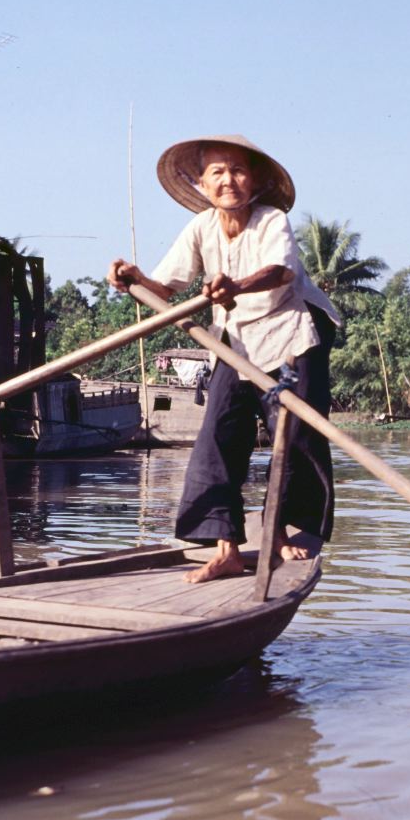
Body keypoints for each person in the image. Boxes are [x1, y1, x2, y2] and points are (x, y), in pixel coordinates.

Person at [108, 134, 341, 583]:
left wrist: (235, 286)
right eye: (217, 171)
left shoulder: (271, 219)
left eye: (237, 170)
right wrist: (133, 277)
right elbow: (166, 288)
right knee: (217, 435)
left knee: (292, 439)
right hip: (234, 344)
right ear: (201, 183)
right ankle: (227, 549)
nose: (228, 180)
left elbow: (281, 271)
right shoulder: (200, 228)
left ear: (253, 181)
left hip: (289, 336)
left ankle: (279, 532)